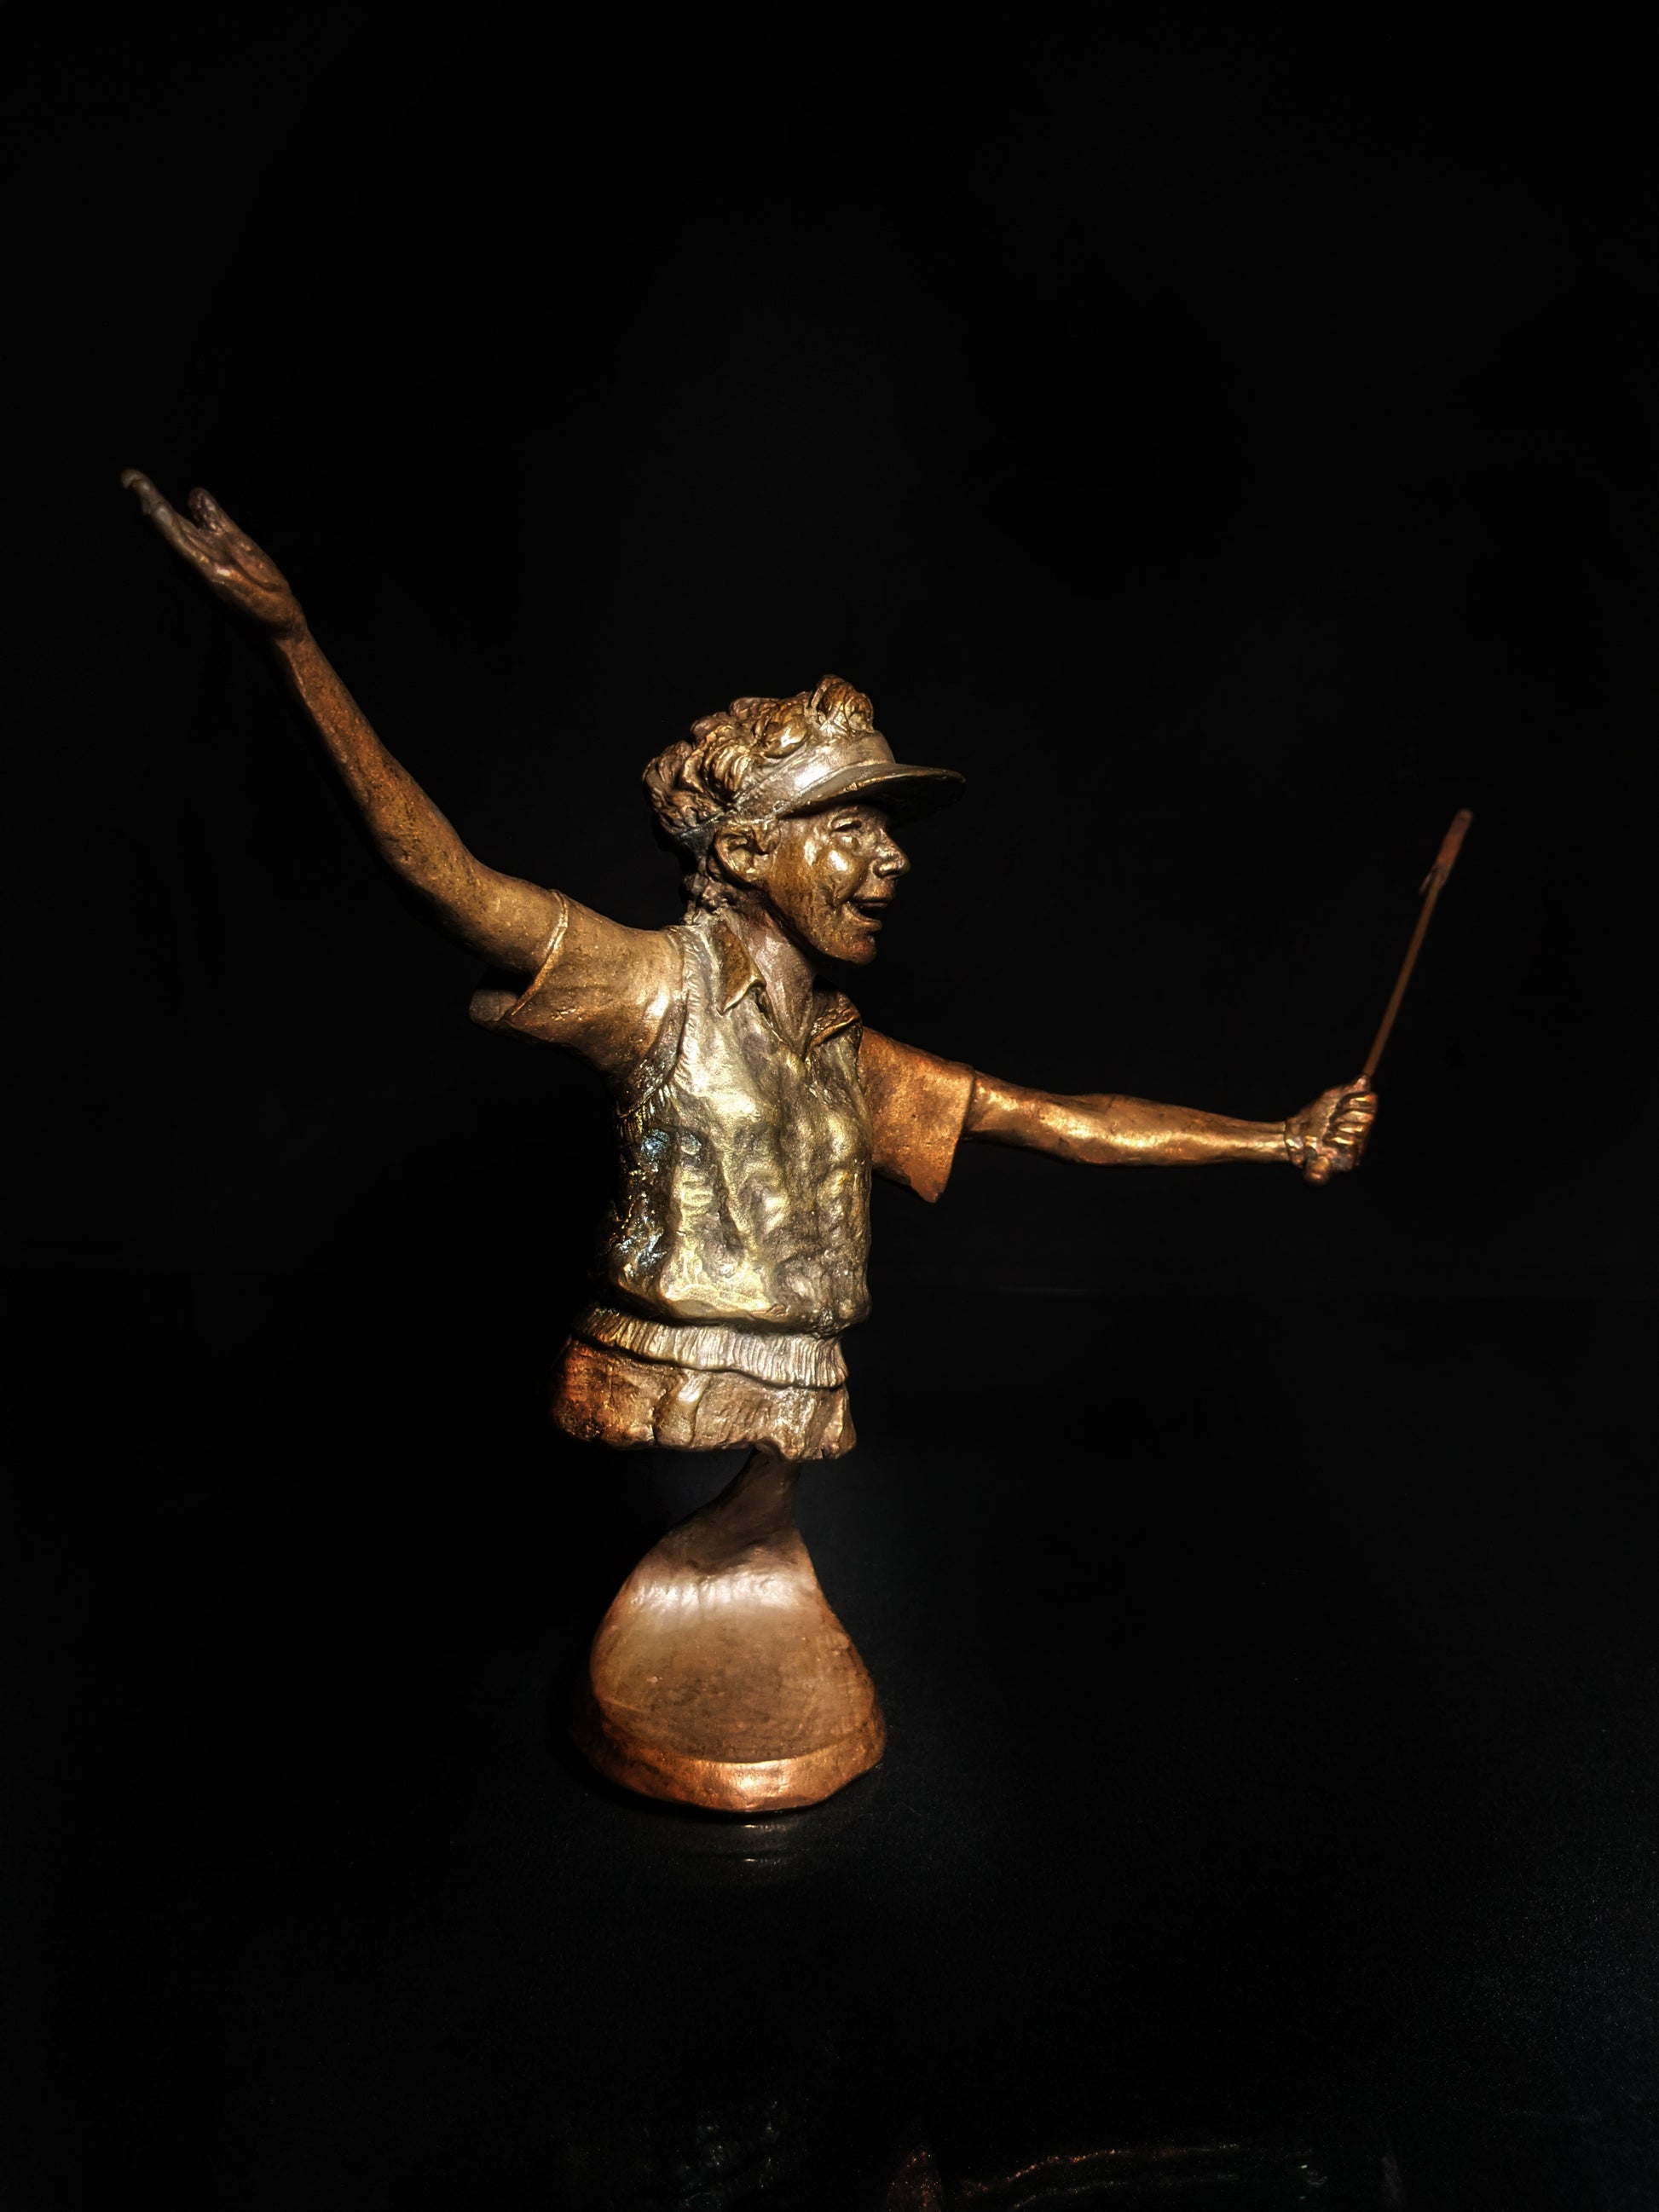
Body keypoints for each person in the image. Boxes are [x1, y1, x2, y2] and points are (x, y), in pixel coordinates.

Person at [123, 473, 1378, 1810]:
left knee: (767, 1505)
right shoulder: (649, 988)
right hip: (658, 1363)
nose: (891, 861)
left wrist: (1275, 1138)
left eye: (886, 831)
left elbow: (1062, 1120)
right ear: (738, 850)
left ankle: (748, 1542)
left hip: (795, 1386)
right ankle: (723, 1558)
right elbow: (443, 875)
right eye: (850, 828)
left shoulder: (849, 1055)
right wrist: (293, 642)